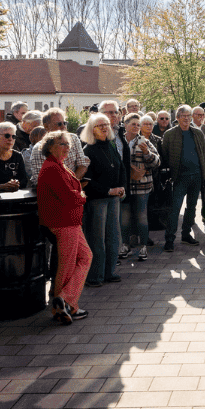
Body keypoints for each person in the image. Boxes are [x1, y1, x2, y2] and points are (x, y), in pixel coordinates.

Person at [36, 131, 92, 324]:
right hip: (63, 222)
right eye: (62, 144)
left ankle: (65, 302)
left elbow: (70, 192)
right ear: (50, 146)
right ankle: (66, 305)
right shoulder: (52, 167)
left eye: (68, 144)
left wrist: (78, 193)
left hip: (69, 221)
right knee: (67, 265)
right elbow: (69, 197)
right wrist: (81, 196)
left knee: (84, 257)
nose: (66, 147)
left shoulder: (59, 165)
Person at [81, 113, 127, 286]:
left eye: (106, 124)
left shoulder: (112, 145)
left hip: (114, 198)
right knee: (97, 240)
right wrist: (109, 190)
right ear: (91, 129)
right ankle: (95, 276)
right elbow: (87, 181)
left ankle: (110, 272)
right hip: (97, 200)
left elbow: (121, 168)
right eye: (100, 125)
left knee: (113, 237)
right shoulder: (88, 150)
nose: (104, 128)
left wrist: (122, 187)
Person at [160, 105, 205, 252]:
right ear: (178, 118)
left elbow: (203, 152)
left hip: (196, 176)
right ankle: (169, 239)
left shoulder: (197, 133)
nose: (186, 118)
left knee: (191, 208)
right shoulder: (170, 134)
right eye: (183, 116)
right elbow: (165, 154)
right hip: (179, 178)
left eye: (188, 116)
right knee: (175, 209)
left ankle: (186, 234)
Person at [120, 112, 160, 261]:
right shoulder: (119, 141)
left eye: (138, 124)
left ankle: (143, 246)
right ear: (125, 125)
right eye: (133, 124)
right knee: (124, 218)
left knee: (141, 216)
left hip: (142, 186)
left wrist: (147, 152)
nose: (136, 127)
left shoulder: (144, 141)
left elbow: (156, 162)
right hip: (124, 186)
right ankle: (125, 245)